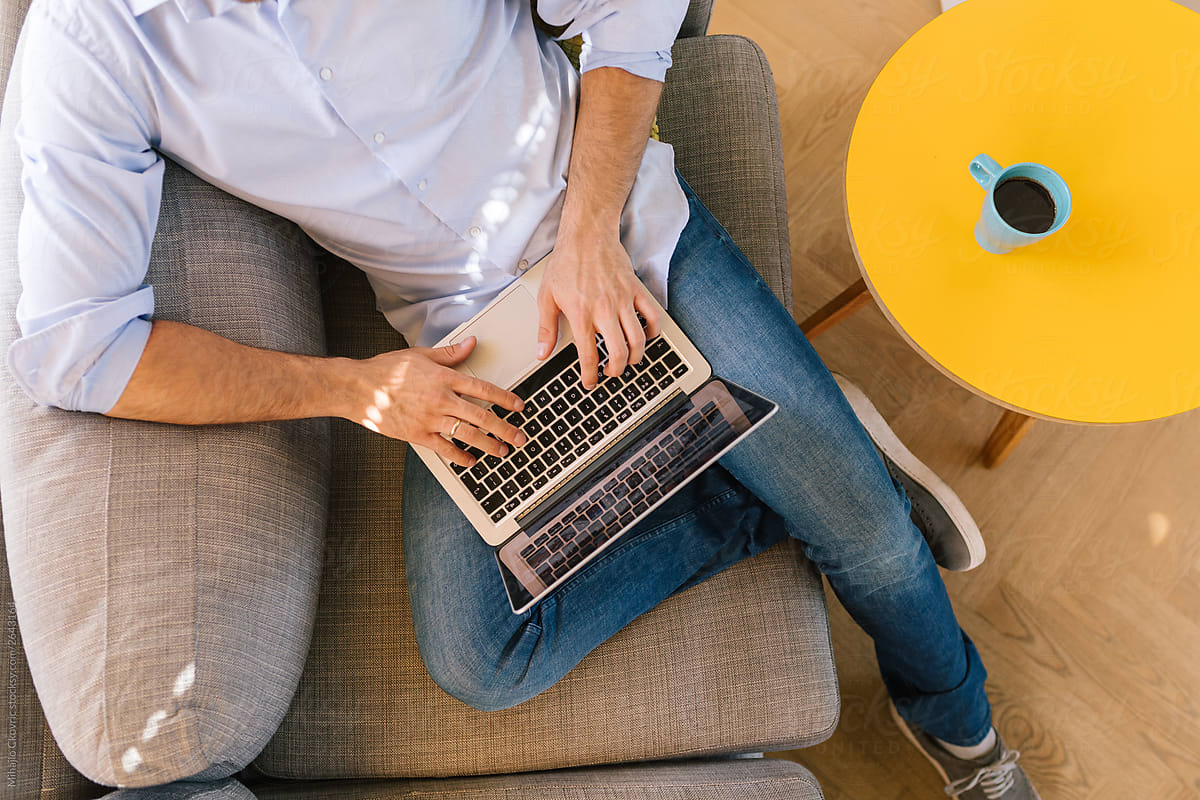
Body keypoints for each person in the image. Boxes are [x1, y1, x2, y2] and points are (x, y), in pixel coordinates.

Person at [8, 1, 1039, 797]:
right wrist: (355, 390)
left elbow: (630, 13)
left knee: (872, 539)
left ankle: (966, 731)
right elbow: (75, 349)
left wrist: (589, 235)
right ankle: (763, 488)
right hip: (459, 339)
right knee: (480, 654)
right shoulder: (91, 47)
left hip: (622, 239)